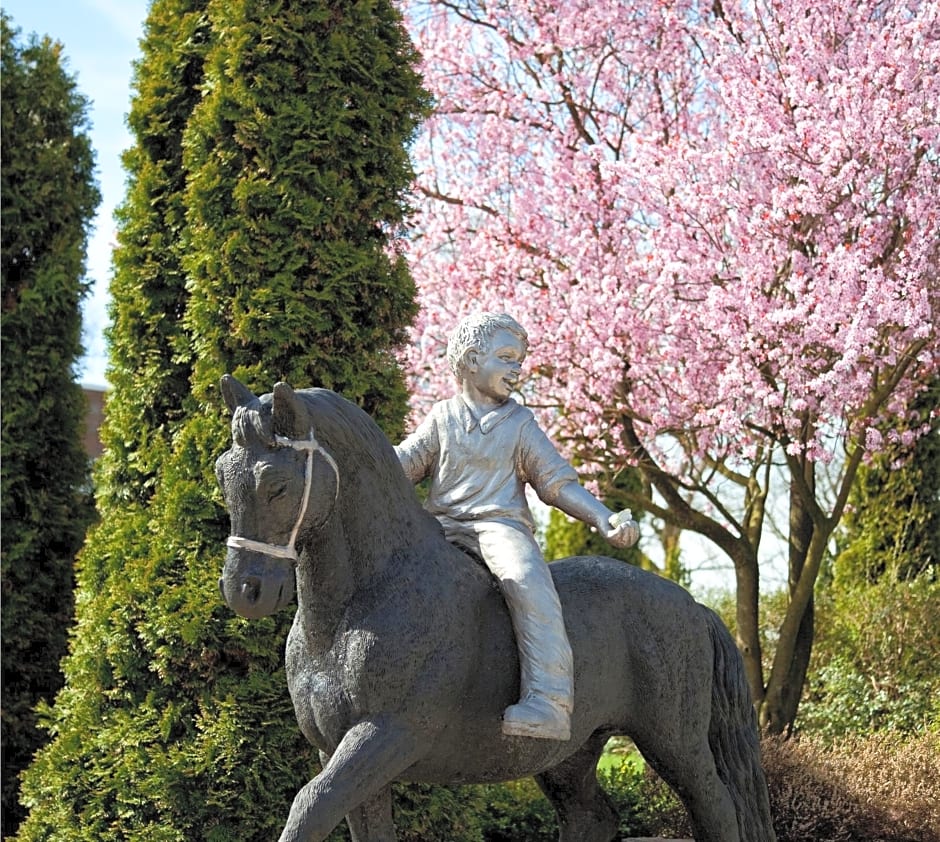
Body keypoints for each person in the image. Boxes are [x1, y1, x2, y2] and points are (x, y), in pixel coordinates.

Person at [395, 312, 639, 741]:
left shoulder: (520, 423)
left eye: (520, 361)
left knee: (526, 579)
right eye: (506, 358)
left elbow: (556, 482)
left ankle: (549, 700)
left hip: (499, 526)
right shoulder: (442, 417)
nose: (517, 370)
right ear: (470, 361)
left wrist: (602, 517)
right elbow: (402, 465)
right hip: (440, 528)